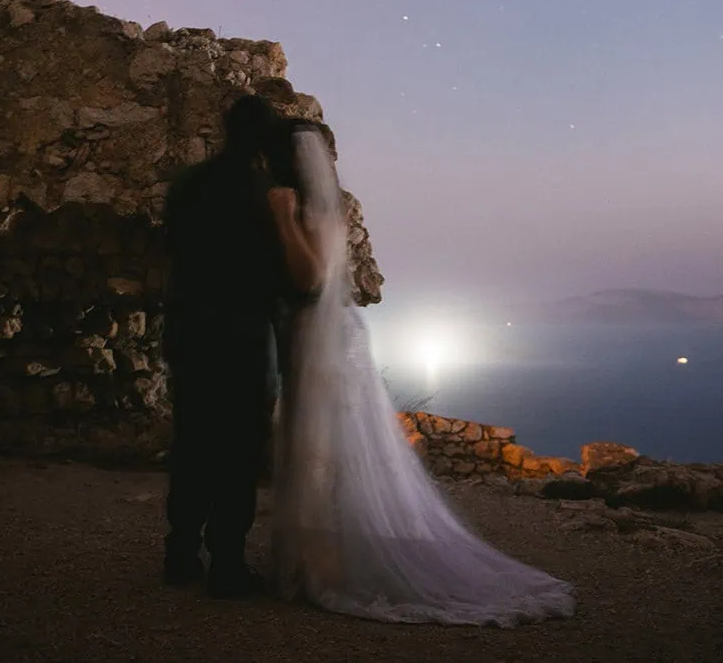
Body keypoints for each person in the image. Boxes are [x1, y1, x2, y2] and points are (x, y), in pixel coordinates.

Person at [262, 119, 577, 626]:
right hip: (319, 335)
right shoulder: (329, 208)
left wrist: (282, 218)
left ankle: (327, 567)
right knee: (319, 444)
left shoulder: (312, 210)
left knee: (323, 446)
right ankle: (317, 558)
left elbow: (311, 276)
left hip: (323, 339)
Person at [161, 93, 287, 598]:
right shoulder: (264, 193)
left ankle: (180, 553)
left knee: (192, 441)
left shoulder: (187, 185)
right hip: (243, 335)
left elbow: (171, 250)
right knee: (238, 450)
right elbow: (274, 272)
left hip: (191, 329)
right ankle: (228, 563)